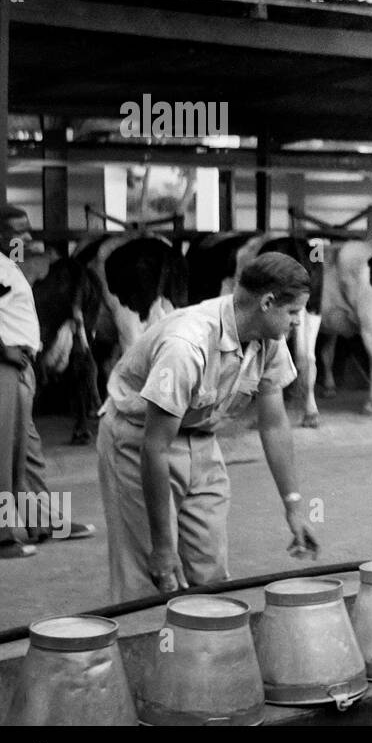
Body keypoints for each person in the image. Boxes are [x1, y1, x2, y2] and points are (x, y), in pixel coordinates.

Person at [96, 252, 319, 601]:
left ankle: (204, 651)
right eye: (293, 313)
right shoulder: (187, 344)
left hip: (201, 438)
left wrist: (293, 506)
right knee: (149, 577)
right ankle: (143, 646)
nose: (297, 322)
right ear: (267, 302)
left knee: (209, 569)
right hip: (138, 440)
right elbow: (154, 448)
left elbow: (273, 425)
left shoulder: (269, 341)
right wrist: (163, 547)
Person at [0, 205, 95, 558]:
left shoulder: (7, 262)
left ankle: (45, 522)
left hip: (17, 366)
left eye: (28, 231)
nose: (27, 238)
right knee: (0, 456)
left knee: (30, 454)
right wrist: (4, 348)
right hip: (0, 367)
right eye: (19, 233)